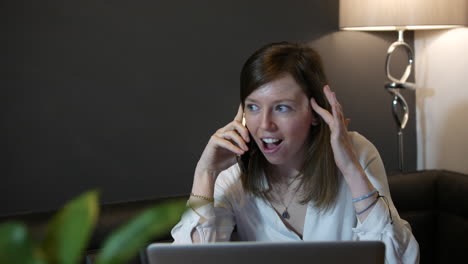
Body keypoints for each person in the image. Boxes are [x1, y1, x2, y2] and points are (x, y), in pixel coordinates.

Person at [171, 42, 419, 263]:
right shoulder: (233, 175)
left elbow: (400, 260)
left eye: (281, 108)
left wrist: (351, 170)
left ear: (315, 112)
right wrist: (205, 173)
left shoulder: (357, 153)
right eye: (253, 107)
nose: (265, 124)